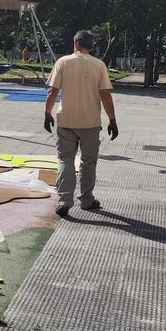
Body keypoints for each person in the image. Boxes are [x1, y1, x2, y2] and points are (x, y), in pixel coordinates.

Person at [43, 29, 119, 217]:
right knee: (88, 162)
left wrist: (47, 113)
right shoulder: (99, 65)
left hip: (66, 120)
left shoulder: (63, 62)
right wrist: (112, 120)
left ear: (76, 43)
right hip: (90, 122)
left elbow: (53, 91)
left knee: (65, 159)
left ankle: (64, 200)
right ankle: (86, 200)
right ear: (91, 47)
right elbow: (105, 94)